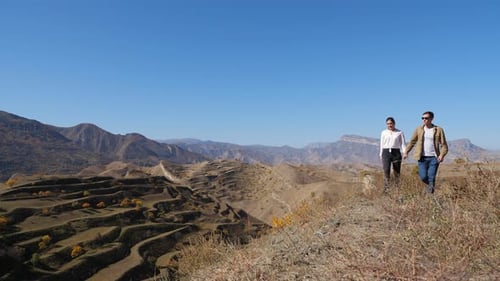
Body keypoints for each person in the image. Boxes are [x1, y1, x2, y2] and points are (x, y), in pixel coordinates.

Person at [403, 111, 448, 194]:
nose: (424, 120)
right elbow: (412, 141)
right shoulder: (418, 129)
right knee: (423, 177)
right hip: (422, 157)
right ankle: (432, 186)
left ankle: (430, 197)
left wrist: (441, 155)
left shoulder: (438, 130)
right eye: (422, 118)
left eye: (426, 118)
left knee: (431, 177)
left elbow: (444, 145)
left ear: (431, 119)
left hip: (434, 158)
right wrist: (406, 152)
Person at [380, 117, 406, 192]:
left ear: (394, 123)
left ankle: (397, 188)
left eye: (391, 123)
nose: (389, 125)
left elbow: (403, 144)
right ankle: (386, 188)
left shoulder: (399, 132)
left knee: (397, 171)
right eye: (388, 124)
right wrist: (381, 154)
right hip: (386, 152)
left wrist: (405, 152)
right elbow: (381, 144)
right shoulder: (383, 132)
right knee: (386, 170)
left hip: (396, 152)